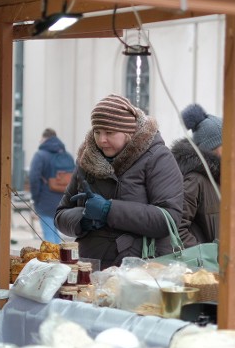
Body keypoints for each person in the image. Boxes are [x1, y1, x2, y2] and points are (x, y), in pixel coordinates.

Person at [55, 94, 184, 269]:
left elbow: (168, 219)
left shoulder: (158, 158)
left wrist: (109, 210)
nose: (101, 140)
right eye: (97, 131)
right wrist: (82, 219)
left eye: (109, 132)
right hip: (90, 266)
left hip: (139, 269)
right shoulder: (87, 160)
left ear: (128, 133)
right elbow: (61, 215)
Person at [170, 103, 222, 246]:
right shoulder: (194, 179)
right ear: (211, 148)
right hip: (204, 265)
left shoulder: (223, 177)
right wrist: (205, 257)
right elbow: (176, 228)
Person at [28, 128, 74, 243]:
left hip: (45, 200)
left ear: (44, 139)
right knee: (55, 234)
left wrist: (36, 198)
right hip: (63, 200)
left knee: (49, 236)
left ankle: (54, 260)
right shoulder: (67, 155)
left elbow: (34, 178)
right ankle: (60, 258)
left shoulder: (40, 155)